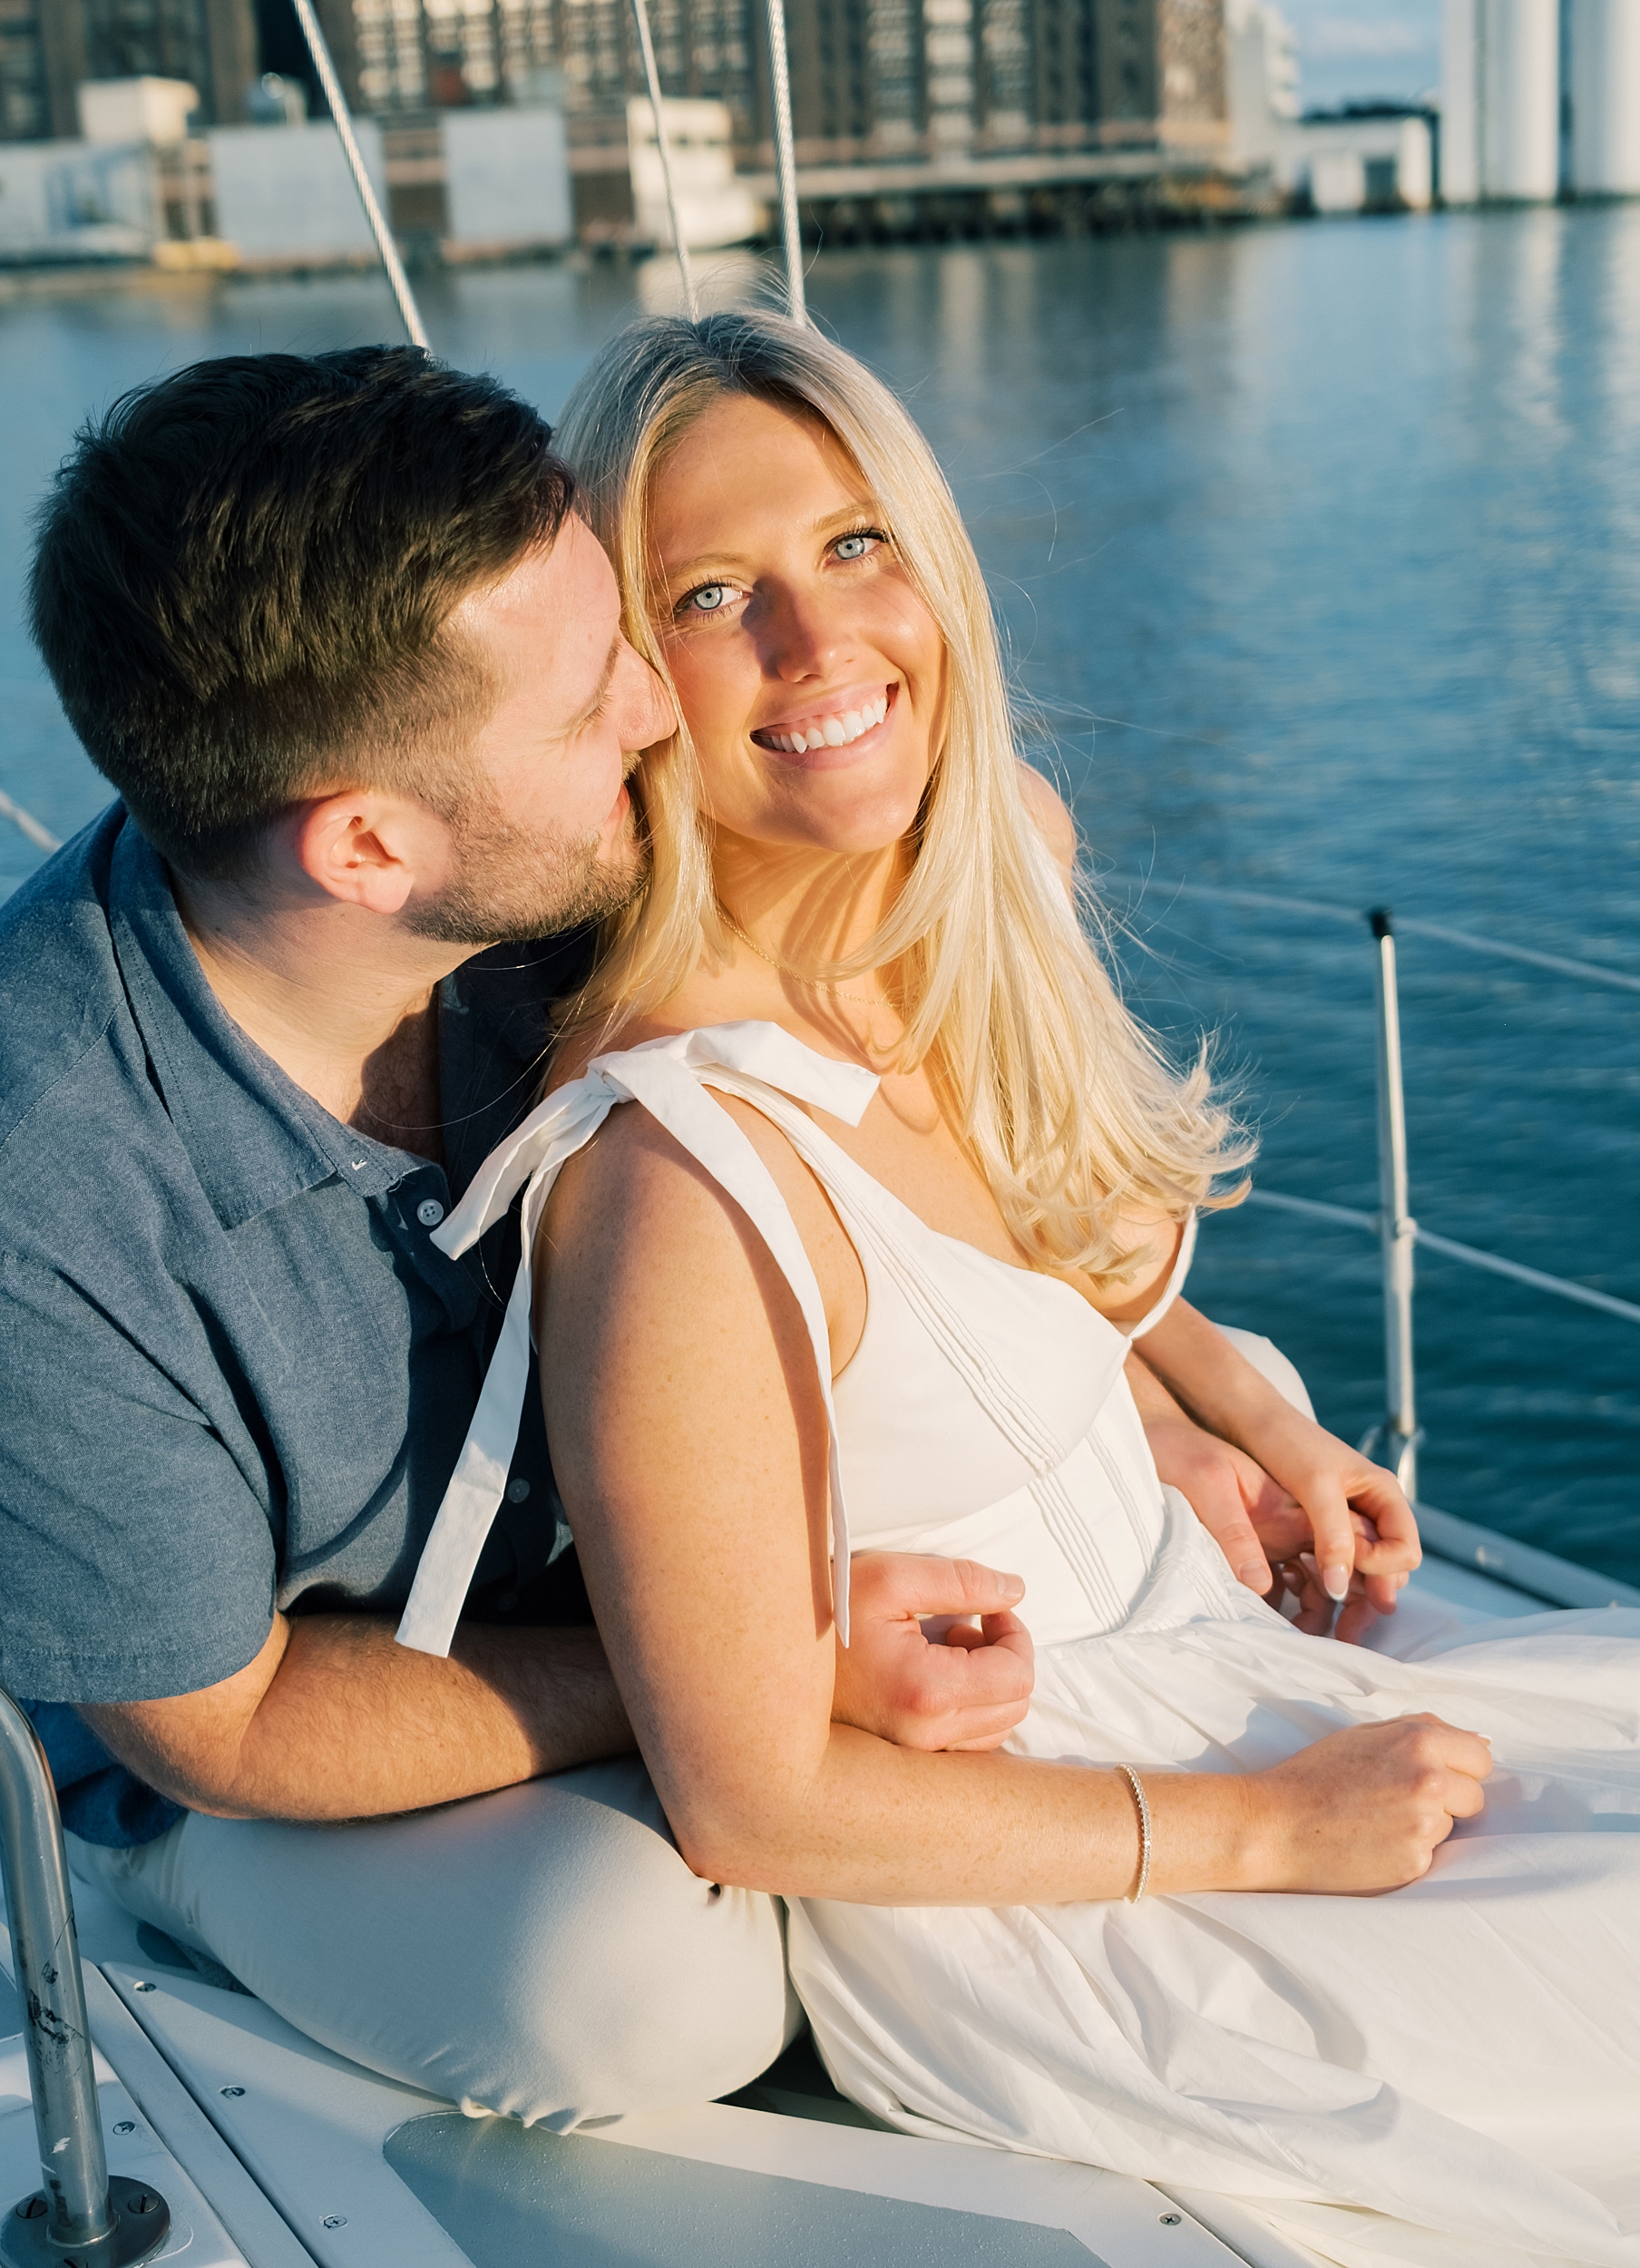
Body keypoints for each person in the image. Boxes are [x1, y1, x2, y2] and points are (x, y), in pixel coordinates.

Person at [394, 311, 1640, 2267]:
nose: (819, 642)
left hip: (1227, 1666)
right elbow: (755, 1800)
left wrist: (1240, 1411)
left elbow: (1046, 1250)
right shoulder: (678, 1177)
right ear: (629, 676)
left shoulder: (993, 878)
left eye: (856, 545)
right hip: (1041, 1866)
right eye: (715, 594)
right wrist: (1266, 1830)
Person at [0, 347, 1061, 2125]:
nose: (658, 708)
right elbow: (222, 1724)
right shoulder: (7, 1215)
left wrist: (1167, 1389)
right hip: (270, 1749)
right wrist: (744, 1684)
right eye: (589, 702)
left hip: (667, 1596)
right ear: (366, 848)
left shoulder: (546, 844)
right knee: (634, 1988)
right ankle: (174, 1910)